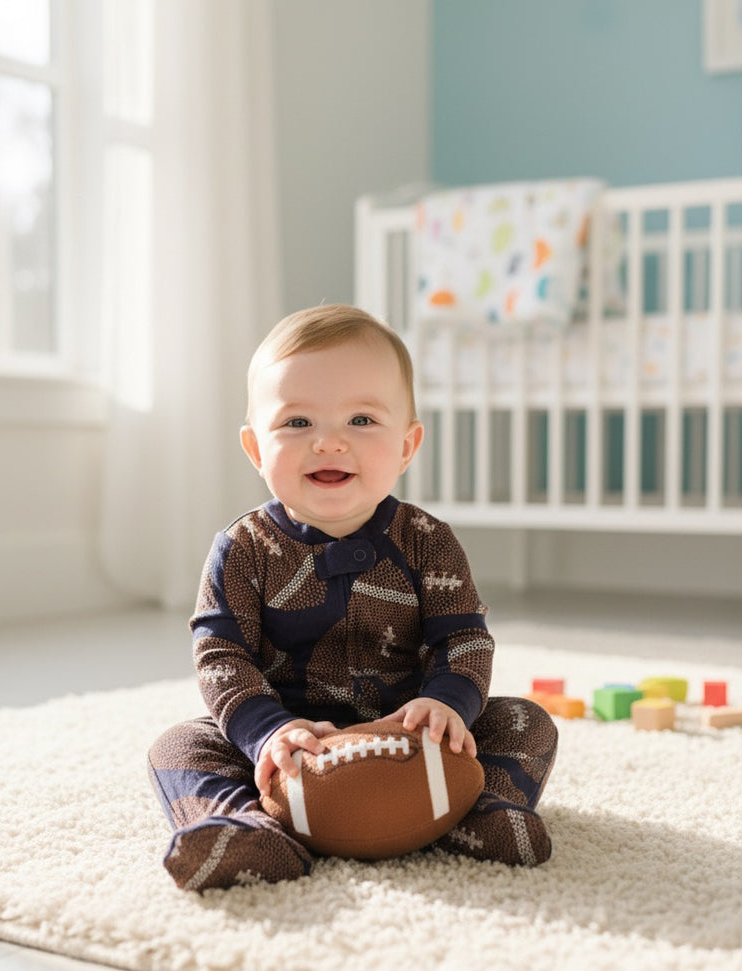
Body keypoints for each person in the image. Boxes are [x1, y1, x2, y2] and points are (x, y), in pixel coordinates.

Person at [148, 304, 557, 891]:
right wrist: (267, 732)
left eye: (362, 420)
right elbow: (222, 656)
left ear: (407, 446)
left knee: (525, 721)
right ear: (256, 449)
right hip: (293, 753)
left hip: (412, 744)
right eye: (296, 423)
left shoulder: (428, 542)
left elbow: (463, 639)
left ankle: (479, 811)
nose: (330, 443)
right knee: (180, 744)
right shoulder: (242, 548)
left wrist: (447, 705)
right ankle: (244, 828)